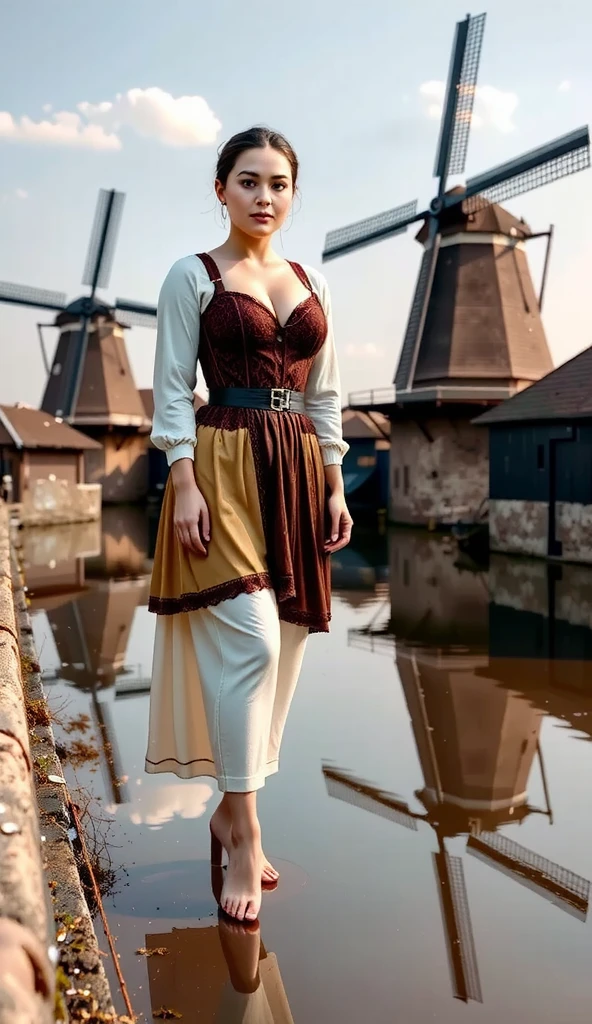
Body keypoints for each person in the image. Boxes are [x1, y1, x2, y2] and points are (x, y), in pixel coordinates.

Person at [146, 125, 352, 924]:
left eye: (278, 184)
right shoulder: (191, 277)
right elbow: (170, 390)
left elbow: (326, 392)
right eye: (248, 182)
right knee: (253, 639)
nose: (264, 197)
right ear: (221, 188)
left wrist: (335, 484)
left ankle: (233, 809)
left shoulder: (313, 282)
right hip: (222, 465)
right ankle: (244, 829)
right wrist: (183, 480)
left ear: (293, 194)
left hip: (298, 467)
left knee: (285, 649)